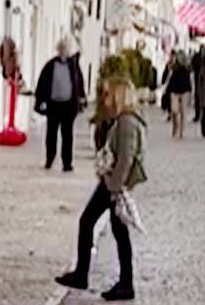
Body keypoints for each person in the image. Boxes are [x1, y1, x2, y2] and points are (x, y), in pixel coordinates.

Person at [57, 77, 147, 301]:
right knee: (117, 232)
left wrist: (115, 188)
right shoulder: (126, 120)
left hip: (113, 185)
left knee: (90, 222)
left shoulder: (127, 122)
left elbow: (125, 158)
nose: (106, 100)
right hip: (112, 183)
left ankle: (89, 276)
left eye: (109, 95)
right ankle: (120, 281)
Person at [35, 36, 86, 171]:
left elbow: (79, 83)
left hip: (68, 106)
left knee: (67, 135)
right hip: (54, 105)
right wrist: (41, 101)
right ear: (58, 50)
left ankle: (67, 163)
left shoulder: (73, 65)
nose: (64, 51)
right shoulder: (51, 65)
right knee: (51, 134)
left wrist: (81, 98)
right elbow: (43, 83)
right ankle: (49, 159)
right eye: (61, 48)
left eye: (66, 49)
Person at [166, 53, 192, 138]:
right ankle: (175, 126)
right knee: (174, 110)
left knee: (183, 111)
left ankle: (181, 131)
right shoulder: (174, 66)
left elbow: (191, 79)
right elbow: (168, 72)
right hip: (174, 90)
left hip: (185, 91)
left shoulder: (188, 67)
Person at [190, 47, 205, 124]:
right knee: (197, 97)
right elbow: (192, 66)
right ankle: (197, 115)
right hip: (197, 79)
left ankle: (204, 115)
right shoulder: (196, 57)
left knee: (204, 98)